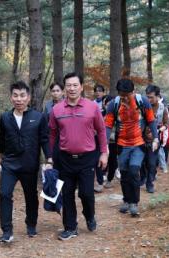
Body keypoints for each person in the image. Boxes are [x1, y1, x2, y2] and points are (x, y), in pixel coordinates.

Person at [49, 72, 108, 241]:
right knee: (67, 193)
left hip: (88, 157)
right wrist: (50, 157)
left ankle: (89, 215)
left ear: (81, 87)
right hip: (64, 159)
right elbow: (52, 134)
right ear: (64, 88)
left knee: (86, 194)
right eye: (69, 85)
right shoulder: (57, 109)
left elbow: (102, 130)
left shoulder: (92, 107)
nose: (72, 88)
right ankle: (70, 227)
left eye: (75, 85)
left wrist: (104, 153)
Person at [0, 81, 52, 242]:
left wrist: (49, 159)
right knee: (4, 195)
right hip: (10, 164)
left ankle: (31, 224)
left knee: (30, 195)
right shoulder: (5, 117)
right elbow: (2, 138)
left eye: (22, 95)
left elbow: (44, 139)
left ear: (28, 98)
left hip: (29, 164)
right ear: (11, 97)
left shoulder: (38, 117)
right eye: (15, 95)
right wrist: (0, 156)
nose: (18, 99)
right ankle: (7, 231)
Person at [105, 79, 158, 216]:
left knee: (134, 171)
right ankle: (126, 200)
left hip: (138, 144)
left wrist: (156, 138)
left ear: (133, 92)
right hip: (122, 145)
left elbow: (151, 120)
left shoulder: (142, 102)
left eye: (127, 95)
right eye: (122, 95)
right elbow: (108, 125)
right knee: (124, 174)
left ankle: (134, 203)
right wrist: (105, 144)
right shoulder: (114, 104)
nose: (124, 98)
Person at [141, 84, 169, 193]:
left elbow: (167, 124)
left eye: (151, 97)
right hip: (141, 139)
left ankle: (150, 183)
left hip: (155, 140)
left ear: (157, 96)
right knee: (142, 161)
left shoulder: (163, 108)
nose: (149, 99)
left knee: (152, 163)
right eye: (147, 96)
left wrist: (157, 131)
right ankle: (143, 177)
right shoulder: (142, 107)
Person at [44, 82, 64, 169]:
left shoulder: (67, 103)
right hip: (51, 136)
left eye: (58, 91)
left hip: (64, 137)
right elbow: (45, 120)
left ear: (62, 92)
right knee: (51, 160)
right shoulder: (48, 105)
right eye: (53, 91)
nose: (55, 93)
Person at [103, 95, 119, 189]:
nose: (109, 106)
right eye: (107, 104)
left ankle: (109, 179)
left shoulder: (118, 115)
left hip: (113, 142)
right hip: (102, 142)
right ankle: (102, 177)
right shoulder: (101, 114)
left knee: (112, 161)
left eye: (110, 104)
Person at [93, 85, 107, 193]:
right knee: (96, 157)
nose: (98, 93)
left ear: (103, 92)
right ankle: (99, 180)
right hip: (94, 136)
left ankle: (104, 176)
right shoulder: (92, 104)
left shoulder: (108, 104)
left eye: (100, 91)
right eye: (96, 91)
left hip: (106, 135)